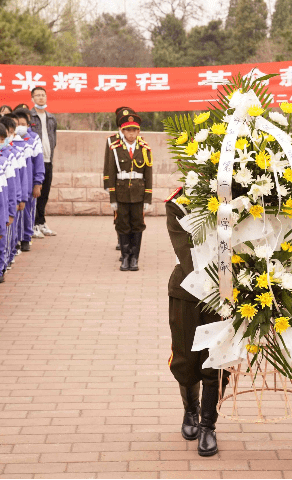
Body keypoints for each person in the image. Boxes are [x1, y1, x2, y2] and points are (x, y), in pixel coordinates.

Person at [165, 187, 228, 457]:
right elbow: (185, 251)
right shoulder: (179, 201)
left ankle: (208, 425)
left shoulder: (237, 197)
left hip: (226, 291)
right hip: (188, 291)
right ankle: (191, 410)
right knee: (186, 358)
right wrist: (213, 285)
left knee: (215, 360)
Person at [103, 108, 153, 271]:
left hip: (138, 194)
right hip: (121, 193)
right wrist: (112, 198)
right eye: (128, 130)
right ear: (122, 131)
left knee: (137, 225)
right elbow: (111, 172)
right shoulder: (115, 148)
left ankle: (134, 258)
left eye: (134, 130)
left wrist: (147, 199)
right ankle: (125, 258)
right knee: (122, 224)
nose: (131, 134)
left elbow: (148, 175)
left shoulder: (145, 148)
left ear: (138, 131)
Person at [29, 88, 57, 237]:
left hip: (48, 159)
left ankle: (41, 222)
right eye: (37, 96)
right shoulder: (29, 117)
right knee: (35, 192)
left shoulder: (51, 118)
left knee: (45, 193)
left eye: (43, 95)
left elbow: (54, 138)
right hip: (35, 162)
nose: (41, 98)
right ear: (32, 99)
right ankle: (32, 223)